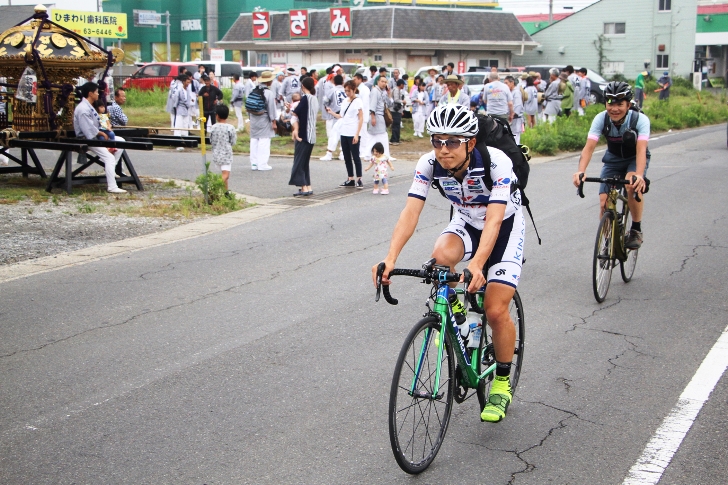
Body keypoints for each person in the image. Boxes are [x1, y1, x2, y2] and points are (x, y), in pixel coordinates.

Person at [372, 104, 525, 423]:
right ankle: (462, 322)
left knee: (496, 310)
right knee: (440, 260)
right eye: (437, 141)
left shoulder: (497, 163)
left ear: (470, 143)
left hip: (504, 226)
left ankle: (501, 382)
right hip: (467, 221)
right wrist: (390, 259)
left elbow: (495, 221)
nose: (443, 150)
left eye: (452, 142)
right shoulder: (428, 164)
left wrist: (479, 264)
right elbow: (410, 212)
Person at [571, 81, 649, 249]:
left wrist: (639, 174)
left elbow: (642, 150)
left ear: (628, 104)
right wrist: (581, 171)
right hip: (613, 159)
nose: (614, 109)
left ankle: (635, 229)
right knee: (604, 202)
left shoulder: (640, 120)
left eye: (620, 104)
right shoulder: (601, 118)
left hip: (634, 158)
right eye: (610, 103)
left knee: (631, 184)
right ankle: (608, 240)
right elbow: (589, 147)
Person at [74, 82, 127, 194]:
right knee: (109, 158)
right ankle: (112, 186)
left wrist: (106, 128)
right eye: (96, 92)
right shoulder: (83, 109)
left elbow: (97, 122)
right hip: (88, 139)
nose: (98, 94)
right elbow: (88, 129)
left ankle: (110, 170)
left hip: (95, 136)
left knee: (121, 141)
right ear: (90, 93)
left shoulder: (89, 106)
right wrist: (101, 133)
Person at [328, 79, 364, 189]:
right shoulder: (345, 101)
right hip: (344, 131)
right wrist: (332, 112)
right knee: (347, 156)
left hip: (353, 132)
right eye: (345, 91)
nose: (347, 93)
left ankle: (359, 178)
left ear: (354, 90)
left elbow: (361, 118)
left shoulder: (358, 101)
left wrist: (357, 134)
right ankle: (350, 178)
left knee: (355, 156)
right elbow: (341, 116)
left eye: (348, 91)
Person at [289, 76, 319, 196]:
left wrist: (291, 108)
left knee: (299, 162)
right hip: (312, 135)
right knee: (305, 162)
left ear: (303, 86)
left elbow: (296, 112)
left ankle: (304, 187)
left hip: (303, 134)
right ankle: (308, 186)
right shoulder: (314, 99)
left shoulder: (305, 98)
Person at [248, 71, 278, 171]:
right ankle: (262, 164)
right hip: (263, 118)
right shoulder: (268, 93)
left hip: (253, 118)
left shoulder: (253, 90)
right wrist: (273, 122)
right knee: (264, 140)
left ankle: (254, 163)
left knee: (254, 140)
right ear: (268, 81)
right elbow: (271, 109)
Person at [208, 104, 237, 196]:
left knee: (224, 173)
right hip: (226, 154)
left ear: (217, 115)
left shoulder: (213, 127)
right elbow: (233, 141)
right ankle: (213, 188)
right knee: (226, 175)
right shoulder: (230, 128)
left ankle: (226, 193)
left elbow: (211, 140)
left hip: (216, 153)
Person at [367, 74, 394, 165]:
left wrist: (389, 93)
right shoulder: (375, 91)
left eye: (385, 82)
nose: (384, 83)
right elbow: (372, 105)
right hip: (376, 116)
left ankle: (368, 154)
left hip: (379, 116)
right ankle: (385, 155)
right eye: (382, 81)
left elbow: (390, 104)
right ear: (378, 82)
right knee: (382, 135)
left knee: (373, 137)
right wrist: (373, 117)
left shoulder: (382, 92)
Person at [320, 74, 346, 161]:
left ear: (334, 82)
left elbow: (325, 101)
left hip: (336, 115)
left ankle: (329, 154)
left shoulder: (331, 90)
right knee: (344, 135)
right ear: (342, 82)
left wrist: (328, 107)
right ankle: (343, 154)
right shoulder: (346, 90)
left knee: (334, 135)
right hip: (346, 115)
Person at [353, 73, 371, 162]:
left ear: (360, 79)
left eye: (355, 79)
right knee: (359, 133)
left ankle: (364, 151)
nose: (354, 81)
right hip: (357, 115)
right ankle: (361, 150)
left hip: (363, 115)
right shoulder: (357, 89)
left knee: (363, 134)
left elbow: (363, 103)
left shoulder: (365, 89)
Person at [504, 76, 524, 144]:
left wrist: (513, 115)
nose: (505, 85)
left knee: (515, 139)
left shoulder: (516, 92)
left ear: (512, 83)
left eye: (506, 83)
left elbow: (518, 105)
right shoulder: (509, 92)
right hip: (511, 118)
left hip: (515, 118)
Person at [390, 79, 406, 145]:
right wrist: (403, 101)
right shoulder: (396, 90)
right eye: (403, 84)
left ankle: (396, 139)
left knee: (397, 125)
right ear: (401, 84)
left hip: (398, 110)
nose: (404, 86)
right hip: (395, 110)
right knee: (395, 125)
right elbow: (396, 99)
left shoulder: (398, 90)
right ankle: (394, 140)